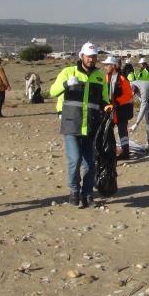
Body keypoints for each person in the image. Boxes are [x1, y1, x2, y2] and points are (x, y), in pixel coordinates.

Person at [50, 43, 110, 208]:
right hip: (71, 123)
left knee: (90, 163)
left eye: (94, 57)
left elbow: (104, 98)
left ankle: (88, 195)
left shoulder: (99, 75)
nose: (91, 59)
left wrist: (107, 105)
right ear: (81, 56)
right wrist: (66, 84)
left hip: (91, 124)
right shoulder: (68, 72)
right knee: (75, 160)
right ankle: (74, 191)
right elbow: (52, 92)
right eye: (89, 56)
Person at [101, 56, 134, 160]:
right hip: (110, 110)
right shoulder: (105, 78)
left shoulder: (123, 79)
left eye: (107, 65)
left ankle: (125, 152)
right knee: (107, 131)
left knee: (122, 132)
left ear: (114, 66)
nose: (105, 67)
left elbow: (128, 95)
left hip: (121, 110)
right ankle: (110, 151)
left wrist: (117, 102)